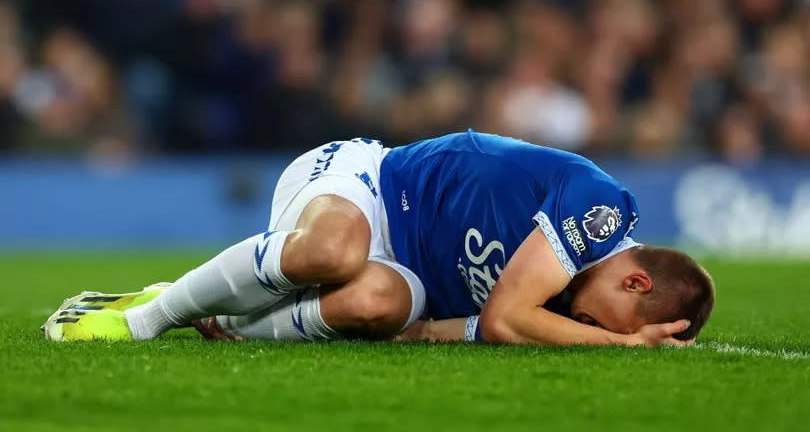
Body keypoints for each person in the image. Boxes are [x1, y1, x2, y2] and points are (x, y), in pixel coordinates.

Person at [42, 131, 714, 346]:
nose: (588, 323)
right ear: (636, 280)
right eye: (611, 319)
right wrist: (622, 342)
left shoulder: (568, 298)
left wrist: (418, 330)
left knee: (378, 305)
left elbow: (447, 329)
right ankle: (142, 318)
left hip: (408, 270)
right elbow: (509, 315)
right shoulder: (598, 210)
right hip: (368, 183)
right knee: (331, 252)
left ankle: (216, 316)